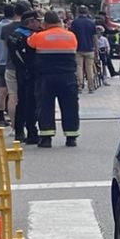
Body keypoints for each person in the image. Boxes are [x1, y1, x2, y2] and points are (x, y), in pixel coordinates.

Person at [26, 10, 81, 147]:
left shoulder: (39, 36)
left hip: (46, 77)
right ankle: (71, 137)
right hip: (67, 76)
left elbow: (29, 43)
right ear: (59, 22)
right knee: (70, 106)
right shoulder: (71, 36)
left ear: (45, 23)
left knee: (45, 106)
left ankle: (46, 138)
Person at [9, 6, 42, 144]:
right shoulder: (26, 36)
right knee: (30, 103)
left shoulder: (14, 34)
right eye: (37, 21)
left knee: (22, 102)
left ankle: (19, 131)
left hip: (21, 72)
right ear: (30, 22)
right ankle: (31, 131)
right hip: (29, 72)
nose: (39, 24)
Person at [0, 6, 20, 127]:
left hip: (0, 60)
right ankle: (14, 117)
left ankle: (1, 117)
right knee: (13, 93)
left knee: (2, 90)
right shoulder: (12, 27)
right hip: (11, 62)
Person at [70, 4, 100, 91]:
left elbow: (72, 36)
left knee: (79, 67)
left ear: (78, 12)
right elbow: (95, 37)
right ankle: (91, 87)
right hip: (89, 49)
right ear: (87, 12)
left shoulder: (75, 23)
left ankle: (79, 86)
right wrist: (96, 48)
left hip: (78, 48)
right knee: (89, 68)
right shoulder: (91, 22)